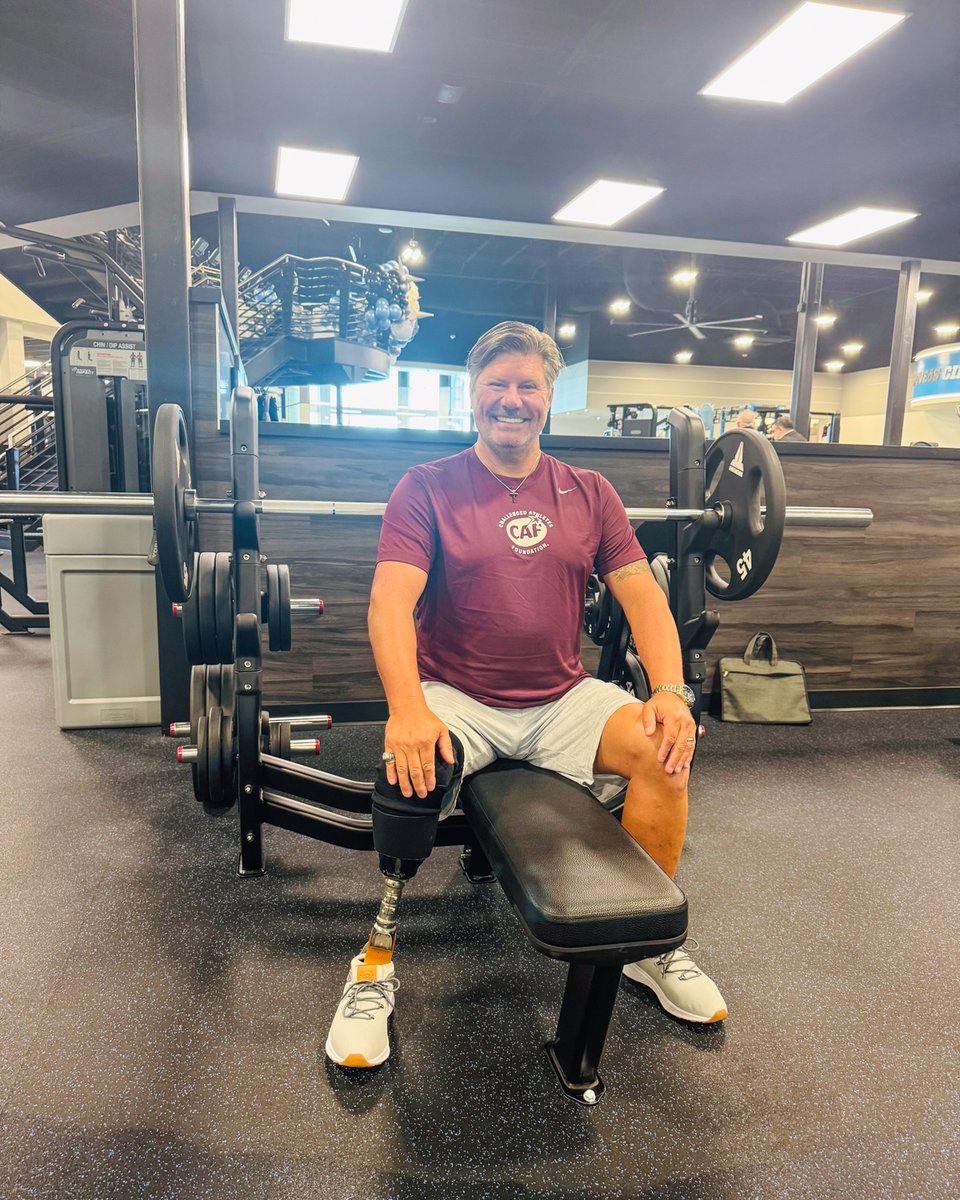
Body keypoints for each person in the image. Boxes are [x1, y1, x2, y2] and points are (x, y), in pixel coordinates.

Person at [325, 321, 727, 1069]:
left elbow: (644, 598)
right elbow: (389, 605)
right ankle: (374, 961)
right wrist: (408, 709)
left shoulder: (590, 491)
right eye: (496, 385)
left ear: (548, 397)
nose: (511, 399)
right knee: (408, 772)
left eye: (527, 386)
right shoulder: (427, 487)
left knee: (665, 750)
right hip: (459, 695)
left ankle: (642, 948)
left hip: (560, 698)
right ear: (472, 394)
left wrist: (670, 692)